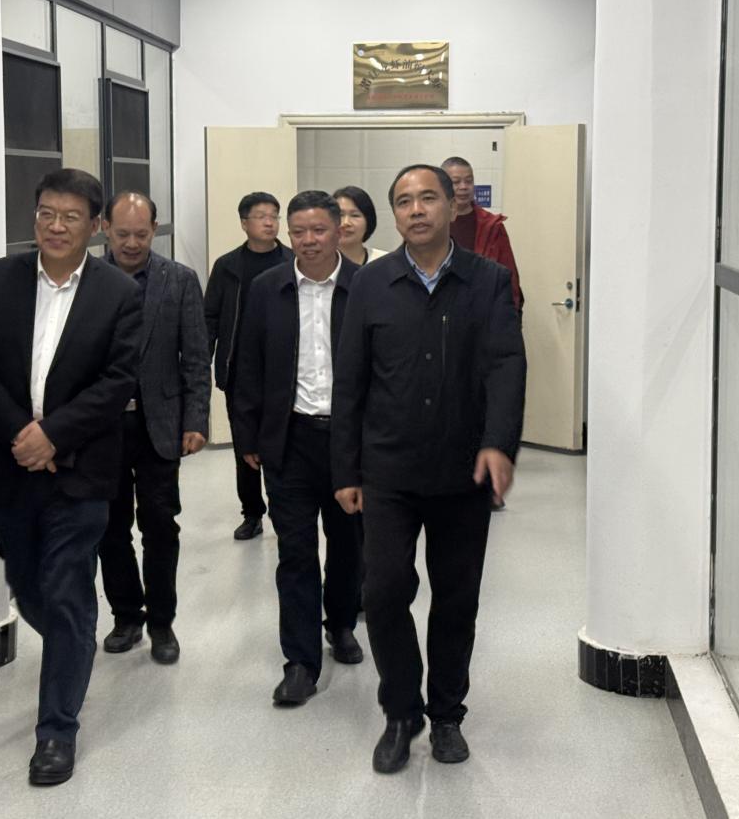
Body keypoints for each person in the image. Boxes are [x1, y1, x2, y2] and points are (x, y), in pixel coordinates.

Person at [332, 164, 526, 774]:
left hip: (463, 472)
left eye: (427, 198)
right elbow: (350, 381)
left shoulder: (488, 281)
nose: (415, 210)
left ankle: (445, 715)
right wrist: (345, 470)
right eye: (403, 201)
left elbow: (506, 364)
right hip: (388, 469)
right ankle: (400, 712)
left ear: (450, 206)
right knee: (385, 591)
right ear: (394, 214)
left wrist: (499, 443)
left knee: (456, 599)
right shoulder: (370, 283)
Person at [0, 168, 141, 787]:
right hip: (8, 465)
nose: (56, 227)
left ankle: (56, 731)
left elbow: (118, 380)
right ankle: (78, 638)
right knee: (28, 586)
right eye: (46, 214)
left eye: (70, 217)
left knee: (63, 590)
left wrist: (55, 434)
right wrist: (21, 434)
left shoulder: (118, 292)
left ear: (96, 226)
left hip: (80, 470)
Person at [231, 190, 364, 705]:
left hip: (349, 443)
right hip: (289, 439)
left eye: (319, 230)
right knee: (296, 552)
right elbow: (246, 364)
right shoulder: (267, 288)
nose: (308, 240)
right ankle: (300, 661)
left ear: (338, 231)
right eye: (299, 231)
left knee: (349, 545)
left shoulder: (364, 286)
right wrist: (248, 436)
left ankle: (341, 623)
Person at [98, 191, 210, 665]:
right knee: (109, 528)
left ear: (155, 230)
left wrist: (196, 419)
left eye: (141, 234)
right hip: (101, 428)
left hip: (159, 424)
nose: (131, 243)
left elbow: (196, 356)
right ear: (105, 228)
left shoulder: (179, 280)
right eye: (122, 234)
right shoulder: (88, 279)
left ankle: (163, 622)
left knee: (160, 526)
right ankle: (127, 616)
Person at [203, 192, 292, 541]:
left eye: (274, 216)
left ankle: (285, 511)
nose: (269, 222)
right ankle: (252, 512)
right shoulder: (227, 266)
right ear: (244, 223)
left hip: (283, 372)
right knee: (245, 446)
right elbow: (210, 317)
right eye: (261, 216)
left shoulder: (292, 260)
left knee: (283, 446)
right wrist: (204, 363)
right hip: (240, 370)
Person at [442, 157, 524, 314]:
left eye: (469, 181)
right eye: (456, 182)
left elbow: (509, 278)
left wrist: (510, 316)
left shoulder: (492, 226)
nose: (464, 187)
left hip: (484, 313)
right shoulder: (433, 224)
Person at [332, 186, 387, 265]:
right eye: (340, 215)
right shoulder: (317, 263)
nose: (346, 223)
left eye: (355, 215)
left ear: (368, 221)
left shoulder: (385, 262)